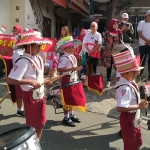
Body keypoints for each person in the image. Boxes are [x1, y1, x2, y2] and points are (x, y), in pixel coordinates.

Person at [7, 29, 53, 139]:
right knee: (34, 126)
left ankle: (37, 144)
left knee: (41, 123)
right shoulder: (23, 61)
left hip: (40, 95)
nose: (40, 47)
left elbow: (36, 77)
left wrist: (46, 80)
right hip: (31, 97)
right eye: (37, 45)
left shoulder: (37, 58)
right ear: (29, 46)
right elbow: (10, 80)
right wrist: (30, 82)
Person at [114, 50, 148, 150]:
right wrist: (139, 106)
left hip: (134, 116)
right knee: (131, 144)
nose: (137, 73)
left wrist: (140, 101)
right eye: (134, 71)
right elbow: (120, 107)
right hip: (128, 117)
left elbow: (132, 98)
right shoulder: (124, 87)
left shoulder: (130, 82)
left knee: (138, 141)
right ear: (124, 73)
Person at [57, 36, 82, 127]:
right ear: (65, 48)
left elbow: (73, 68)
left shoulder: (73, 57)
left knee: (71, 98)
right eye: (69, 47)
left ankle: (71, 114)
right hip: (66, 79)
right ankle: (66, 117)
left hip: (72, 78)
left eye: (72, 47)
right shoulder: (63, 58)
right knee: (66, 98)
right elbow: (59, 68)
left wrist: (77, 69)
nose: (71, 49)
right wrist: (72, 68)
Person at [103, 19, 122, 87]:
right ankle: (108, 80)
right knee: (109, 66)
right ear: (111, 24)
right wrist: (108, 44)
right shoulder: (107, 32)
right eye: (114, 24)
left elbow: (121, 42)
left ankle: (118, 80)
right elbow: (104, 40)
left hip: (116, 51)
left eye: (117, 24)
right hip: (108, 51)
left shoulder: (119, 32)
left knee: (117, 66)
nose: (116, 25)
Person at [12, 24, 25, 116]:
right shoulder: (17, 52)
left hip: (24, 75)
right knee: (20, 94)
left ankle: (22, 109)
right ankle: (19, 110)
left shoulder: (24, 51)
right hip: (18, 75)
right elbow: (18, 64)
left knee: (24, 93)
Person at [137, 10, 150, 79]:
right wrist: (146, 40)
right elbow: (139, 33)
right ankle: (139, 74)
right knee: (142, 60)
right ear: (146, 16)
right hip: (143, 44)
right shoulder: (141, 23)